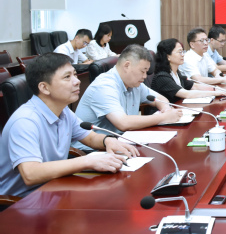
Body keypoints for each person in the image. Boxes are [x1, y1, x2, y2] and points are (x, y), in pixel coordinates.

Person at [0, 53, 139, 198]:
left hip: (55, 188)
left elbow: (90, 138)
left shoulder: (64, 111)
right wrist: (86, 161)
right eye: (67, 77)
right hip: (23, 201)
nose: (77, 81)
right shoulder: (25, 121)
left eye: (75, 74)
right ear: (44, 88)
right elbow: (31, 174)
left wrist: (107, 141)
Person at [74, 45, 183, 150]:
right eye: (142, 71)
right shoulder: (104, 86)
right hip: (94, 150)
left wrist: (166, 109)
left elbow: (160, 99)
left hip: (122, 141)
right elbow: (123, 123)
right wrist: (164, 117)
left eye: (146, 72)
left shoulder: (134, 83)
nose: (145, 76)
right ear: (127, 65)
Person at [151, 38, 226, 103]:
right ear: (168, 56)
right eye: (179, 52)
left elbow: (194, 86)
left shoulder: (176, 73)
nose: (183, 55)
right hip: (163, 114)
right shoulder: (162, 77)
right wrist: (215, 93)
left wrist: (215, 89)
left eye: (183, 51)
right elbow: (186, 94)